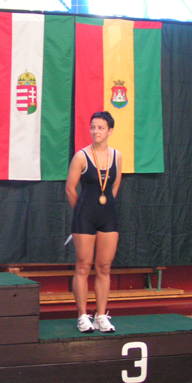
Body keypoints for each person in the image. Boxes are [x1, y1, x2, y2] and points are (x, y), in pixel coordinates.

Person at [65, 111, 122, 333]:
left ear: (110, 131)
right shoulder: (81, 156)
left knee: (104, 267)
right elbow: (70, 188)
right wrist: (82, 212)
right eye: (93, 127)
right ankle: (82, 316)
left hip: (108, 216)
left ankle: (101, 316)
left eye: (100, 128)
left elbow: (114, 186)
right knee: (83, 266)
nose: (95, 131)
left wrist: (103, 207)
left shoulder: (117, 156)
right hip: (85, 216)